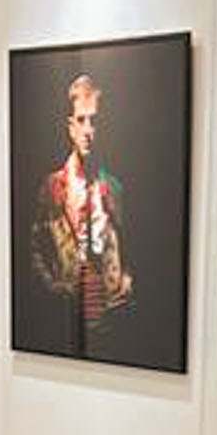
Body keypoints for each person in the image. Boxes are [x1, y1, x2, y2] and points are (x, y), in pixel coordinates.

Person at [31, 72, 133, 337]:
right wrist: (54, 288)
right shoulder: (53, 187)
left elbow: (130, 246)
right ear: (70, 127)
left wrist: (126, 279)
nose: (88, 131)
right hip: (65, 316)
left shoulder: (113, 187)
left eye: (94, 121)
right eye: (81, 120)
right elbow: (35, 249)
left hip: (111, 315)